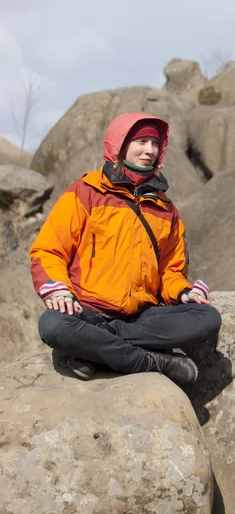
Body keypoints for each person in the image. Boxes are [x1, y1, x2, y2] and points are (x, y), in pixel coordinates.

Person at [30, 112, 221, 382]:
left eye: (155, 144)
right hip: (88, 312)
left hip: (141, 317)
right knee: (53, 325)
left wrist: (184, 293)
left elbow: (170, 271)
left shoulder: (166, 209)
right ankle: (153, 361)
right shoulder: (86, 191)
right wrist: (58, 289)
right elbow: (49, 251)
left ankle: (92, 349)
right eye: (141, 141)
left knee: (207, 319)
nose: (150, 150)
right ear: (119, 145)